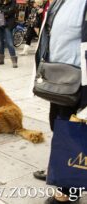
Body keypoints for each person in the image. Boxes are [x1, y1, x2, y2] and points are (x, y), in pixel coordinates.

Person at [32, 0, 87, 203]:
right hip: (59, 78)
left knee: (74, 133)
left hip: (79, 81)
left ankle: (68, 192)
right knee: (58, 125)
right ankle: (58, 168)